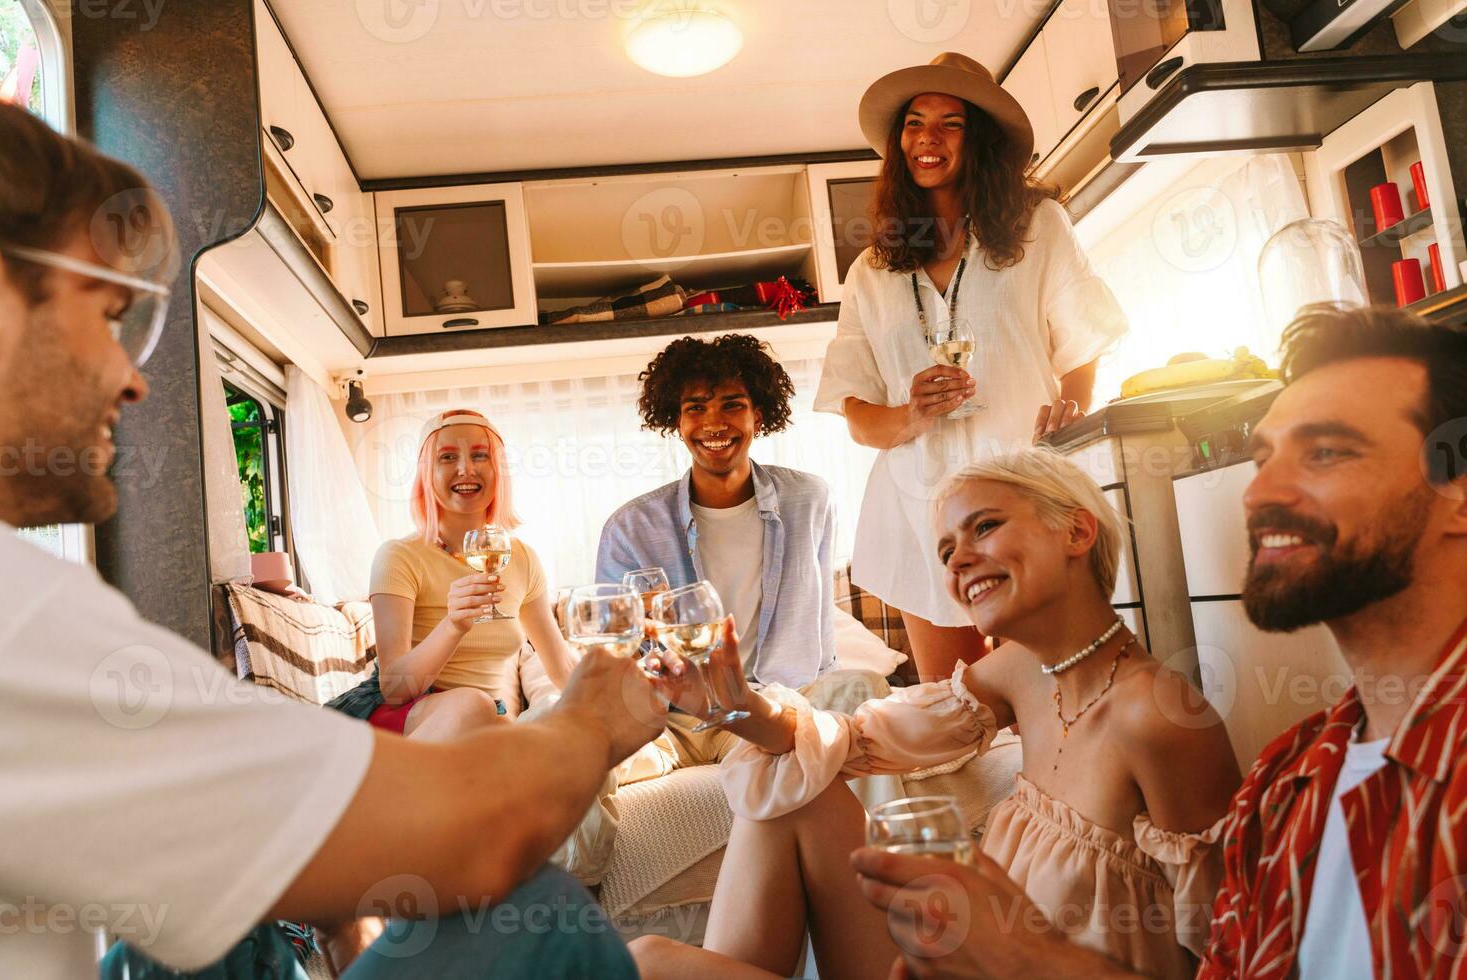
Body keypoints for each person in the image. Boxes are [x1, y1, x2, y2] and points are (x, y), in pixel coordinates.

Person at [0, 103, 657, 978]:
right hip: (408, 717)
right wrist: (594, 724)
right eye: (110, 311)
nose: (133, 379)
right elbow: (470, 820)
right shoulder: (20, 621)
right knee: (541, 915)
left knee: (208, 932)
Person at [850, 304, 1467, 979]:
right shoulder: (1294, 779)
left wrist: (1027, 959)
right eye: (1262, 457)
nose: (1260, 490)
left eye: (1326, 451)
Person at [629, 447, 1239, 979]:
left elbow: (1234, 952)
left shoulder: (1160, 719)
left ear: (1077, 533)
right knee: (790, 789)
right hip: (964, 958)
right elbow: (853, 738)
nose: (957, 561)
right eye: (947, 548)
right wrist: (732, 708)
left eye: (985, 527)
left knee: (651, 961)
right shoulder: (1023, 671)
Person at [816, 51, 1128, 682]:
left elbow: (1082, 345)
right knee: (958, 708)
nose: (927, 139)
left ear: (980, 137)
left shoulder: (1038, 226)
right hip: (917, 510)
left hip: (1022, 495)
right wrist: (912, 413)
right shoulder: (870, 272)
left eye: (950, 123)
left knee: (1046, 691)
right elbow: (858, 416)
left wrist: (1072, 406)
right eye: (915, 123)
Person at [596, 333, 872, 774]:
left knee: (861, 687)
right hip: (667, 720)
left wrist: (819, 692)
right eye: (696, 408)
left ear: (758, 416)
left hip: (772, 707)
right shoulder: (631, 528)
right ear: (677, 422)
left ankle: (879, 841)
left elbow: (822, 638)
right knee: (569, 746)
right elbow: (616, 654)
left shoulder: (810, 500)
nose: (714, 423)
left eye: (731, 405)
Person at [329, 409, 577, 740]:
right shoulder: (399, 556)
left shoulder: (522, 559)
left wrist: (621, 690)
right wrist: (454, 624)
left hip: (482, 724)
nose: (466, 468)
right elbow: (394, 688)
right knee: (476, 708)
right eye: (447, 457)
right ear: (426, 474)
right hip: (397, 718)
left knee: (534, 737)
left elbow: (561, 666)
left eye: (480, 455)